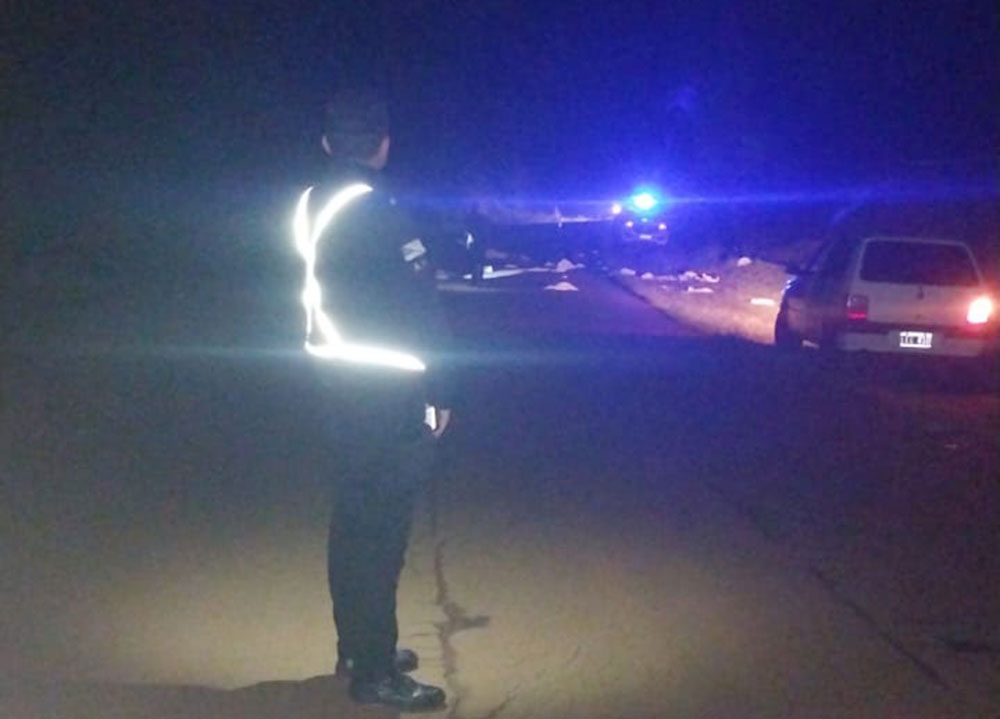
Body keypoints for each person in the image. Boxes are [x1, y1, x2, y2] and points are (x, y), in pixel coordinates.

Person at [292, 88, 452, 712]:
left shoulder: (309, 203)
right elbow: (421, 305)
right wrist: (442, 388)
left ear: (326, 143)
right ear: (382, 147)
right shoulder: (381, 209)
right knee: (383, 534)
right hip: (386, 387)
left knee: (352, 522)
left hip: (334, 380)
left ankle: (358, 648)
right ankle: (378, 671)